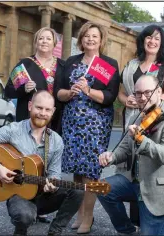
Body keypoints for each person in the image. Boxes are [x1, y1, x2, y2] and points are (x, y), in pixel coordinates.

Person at [53, 21, 120, 234]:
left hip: (95, 124)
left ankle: (89, 216)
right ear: (81, 39)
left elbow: (110, 96)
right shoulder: (71, 62)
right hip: (72, 121)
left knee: (90, 170)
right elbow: (58, 92)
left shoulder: (108, 64)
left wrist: (88, 90)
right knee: (76, 170)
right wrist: (71, 91)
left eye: (94, 36)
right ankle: (79, 212)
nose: (90, 39)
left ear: (101, 40)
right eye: (86, 36)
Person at [0, 90, 84, 236]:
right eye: (39, 108)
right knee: (24, 216)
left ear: (52, 112)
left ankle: (55, 231)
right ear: (30, 106)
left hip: (43, 194)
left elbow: (54, 173)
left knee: (77, 190)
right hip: (18, 193)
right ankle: (20, 230)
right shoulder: (13, 130)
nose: (42, 113)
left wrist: (52, 185)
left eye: (47, 110)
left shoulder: (56, 140)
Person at [98, 75, 164, 236]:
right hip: (136, 181)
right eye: (138, 93)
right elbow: (124, 149)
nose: (142, 98)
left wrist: (141, 140)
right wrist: (111, 156)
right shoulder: (138, 116)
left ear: (159, 91)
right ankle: (127, 229)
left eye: (147, 92)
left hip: (160, 188)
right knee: (101, 188)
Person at [118, 24, 164, 132]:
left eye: (156, 38)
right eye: (149, 37)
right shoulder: (131, 65)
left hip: (158, 118)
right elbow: (121, 92)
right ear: (143, 40)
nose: (152, 41)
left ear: (161, 43)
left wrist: (144, 102)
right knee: (131, 146)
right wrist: (126, 100)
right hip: (131, 117)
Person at [5, 27, 64, 136]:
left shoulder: (63, 65)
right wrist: (24, 89)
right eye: (41, 38)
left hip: (56, 122)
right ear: (36, 42)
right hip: (30, 120)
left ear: (54, 43)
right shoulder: (25, 64)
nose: (44, 41)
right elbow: (8, 90)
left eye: (48, 39)